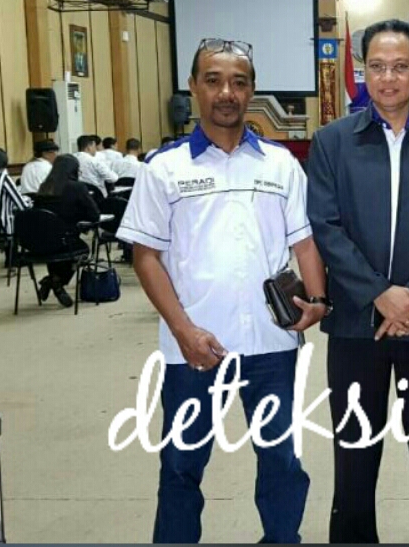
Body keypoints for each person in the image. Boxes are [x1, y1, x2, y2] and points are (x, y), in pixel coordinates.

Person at [117, 37, 327, 544]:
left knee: (280, 459)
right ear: (193, 87)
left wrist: (318, 301)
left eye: (238, 82)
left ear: (252, 90)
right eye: (213, 81)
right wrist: (183, 331)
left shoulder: (279, 164)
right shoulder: (164, 167)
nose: (226, 93)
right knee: (181, 463)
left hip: (271, 345)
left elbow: (303, 242)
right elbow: (146, 257)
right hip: (194, 348)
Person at [306, 19, 409, 543]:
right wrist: (378, 293)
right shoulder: (332, 142)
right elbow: (325, 226)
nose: (388, 78)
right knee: (354, 449)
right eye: (377, 66)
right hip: (356, 324)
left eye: (399, 67)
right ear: (362, 72)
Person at [30, 154, 98, 307]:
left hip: (41, 243)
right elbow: (94, 215)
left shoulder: (44, 187)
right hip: (67, 240)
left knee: (55, 252)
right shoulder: (77, 188)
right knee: (83, 251)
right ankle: (56, 282)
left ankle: (53, 280)